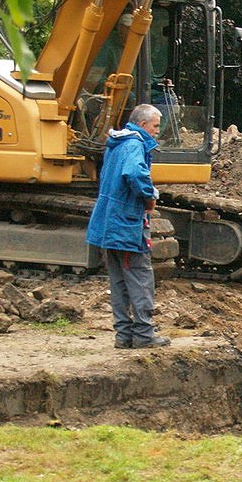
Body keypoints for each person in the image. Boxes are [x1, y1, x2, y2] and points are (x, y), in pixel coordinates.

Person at [86, 104, 171, 349]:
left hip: (109, 222)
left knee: (119, 281)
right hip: (126, 224)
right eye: (155, 126)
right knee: (140, 277)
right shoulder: (134, 145)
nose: (157, 131)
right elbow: (135, 173)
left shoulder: (117, 145)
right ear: (143, 125)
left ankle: (123, 335)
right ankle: (143, 335)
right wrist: (150, 195)